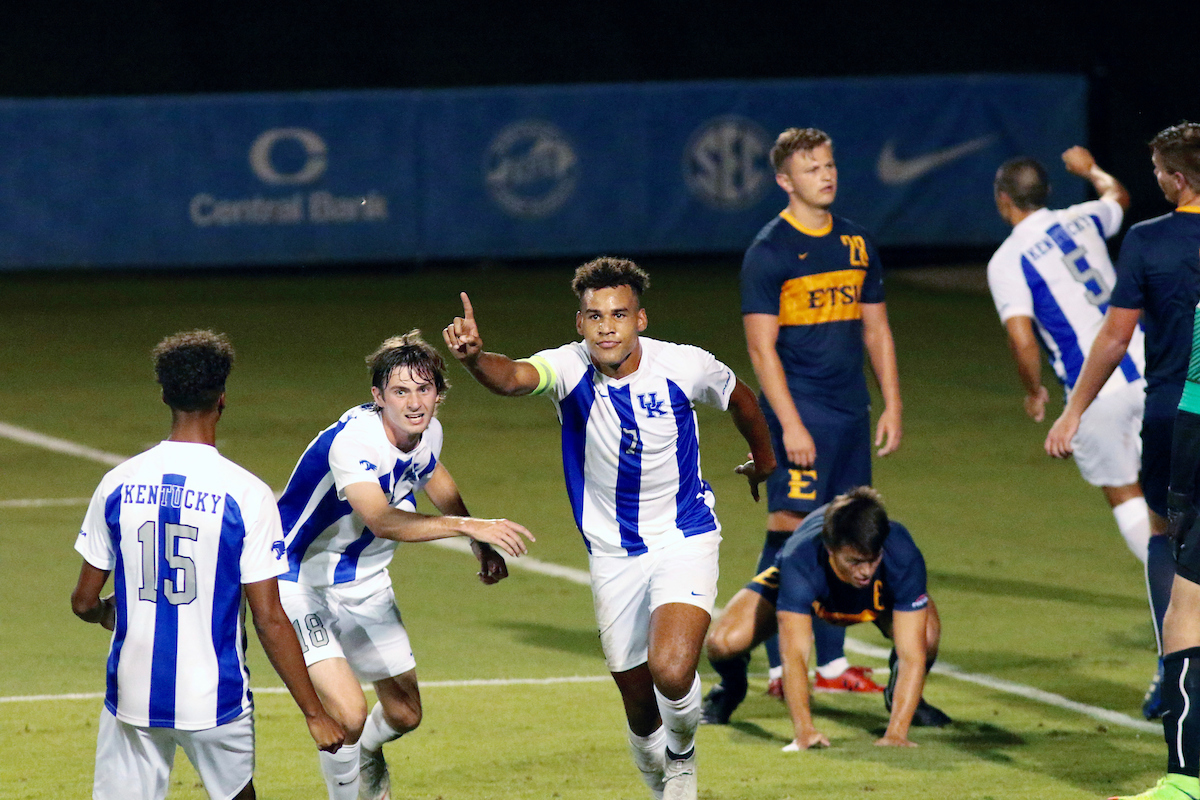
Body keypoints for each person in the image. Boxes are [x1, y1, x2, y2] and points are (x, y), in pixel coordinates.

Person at [442, 257, 776, 800]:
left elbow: (741, 398)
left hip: (683, 534)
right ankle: (658, 779)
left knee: (671, 671)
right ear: (580, 324)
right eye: (594, 316)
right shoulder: (568, 368)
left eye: (618, 315)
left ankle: (684, 761)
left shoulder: (682, 365)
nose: (606, 327)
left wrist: (764, 459)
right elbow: (512, 378)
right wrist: (477, 359)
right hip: (613, 552)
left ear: (640, 320)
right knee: (641, 712)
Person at [70, 329, 345, 800]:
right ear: (222, 398)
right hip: (215, 699)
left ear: (164, 395)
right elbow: (270, 619)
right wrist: (315, 713)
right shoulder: (246, 494)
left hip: (132, 694)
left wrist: (105, 613)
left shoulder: (117, 483)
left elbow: (82, 601)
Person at [275, 331, 534, 800]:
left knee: (404, 714)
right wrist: (468, 527)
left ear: (438, 392)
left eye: (424, 388)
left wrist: (478, 543)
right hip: (299, 579)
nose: (414, 402)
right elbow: (382, 519)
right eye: (400, 390)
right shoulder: (355, 442)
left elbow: (434, 474)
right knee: (350, 713)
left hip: (365, 580)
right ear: (378, 396)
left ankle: (368, 755)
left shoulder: (426, 430)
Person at [737, 126, 903, 699]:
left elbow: (877, 329)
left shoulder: (857, 244)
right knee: (788, 533)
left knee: (847, 535)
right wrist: (790, 424)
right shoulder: (770, 253)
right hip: (799, 414)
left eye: (829, 165)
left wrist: (892, 404)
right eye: (812, 169)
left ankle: (830, 665)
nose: (826, 175)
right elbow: (761, 350)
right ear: (785, 181)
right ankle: (784, 667)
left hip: (850, 416)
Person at [1047, 123, 1200, 724]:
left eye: (1160, 171)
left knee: (1166, 539)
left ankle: (1174, 677)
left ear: (1177, 178)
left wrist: (1074, 409)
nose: (1155, 180)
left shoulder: (1149, 241)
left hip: (1173, 413)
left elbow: (1115, 336)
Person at [988, 149, 1151, 563]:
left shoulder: (1009, 259)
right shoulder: (1083, 218)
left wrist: (1033, 389)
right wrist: (1092, 169)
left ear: (1003, 199)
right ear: (1047, 193)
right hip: (1155, 370)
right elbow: (1118, 197)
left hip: (1095, 389)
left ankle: (1175, 598)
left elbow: (1022, 338)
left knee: (1124, 491)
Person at [700, 486, 949, 748]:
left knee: (926, 637)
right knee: (722, 643)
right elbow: (795, 656)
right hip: (807, 586)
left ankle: (906, 699)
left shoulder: (901, 554)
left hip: (879, 602)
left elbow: (912, 654)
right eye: (854, 561)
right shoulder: (801, 560)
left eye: (872, 560)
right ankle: (731, 687)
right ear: (831, 549)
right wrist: (804, 731)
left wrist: (896, 734)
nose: (865, 571)